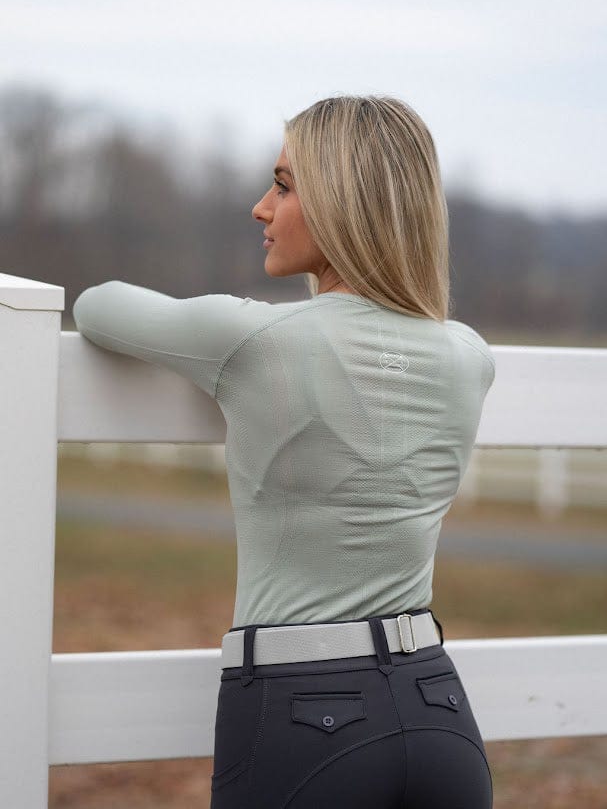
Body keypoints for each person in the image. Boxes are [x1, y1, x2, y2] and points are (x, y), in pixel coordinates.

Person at [72, 94, 495, 808]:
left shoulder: (255, 340)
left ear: (341, 203)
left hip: (302, 717)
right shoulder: (469, 356)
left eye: (283, 186)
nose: (260, 207)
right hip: (438, 708)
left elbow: (97, 305)